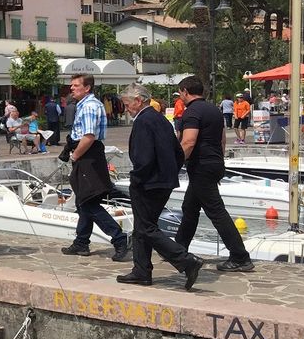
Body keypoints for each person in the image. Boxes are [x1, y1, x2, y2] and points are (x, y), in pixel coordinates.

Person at [116, 84, 204, 289]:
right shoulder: (160, 119)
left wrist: (137, 178)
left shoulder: (144, 121)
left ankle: (186, 260)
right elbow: (178, 151)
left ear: (138, 101)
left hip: (149, 182)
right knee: (142, 226)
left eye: (127, 105)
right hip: (163, 180)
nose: (126, 109)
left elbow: (144, 157)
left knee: (145, 228)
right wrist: (169, 172)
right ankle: (141, 270)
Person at [175, 76, 255, 272]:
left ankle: (240, 256)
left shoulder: (192, 112)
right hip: (214, 163)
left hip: (201, 166)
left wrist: (173, 164)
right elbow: (222, 140)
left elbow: (188, 142)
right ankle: (177, 250)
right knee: (190, 208)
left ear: (185, 91)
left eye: (180, 93)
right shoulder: (214, 110)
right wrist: (218, 161)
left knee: (216, 211)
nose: (180, 97)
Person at [59, 73, 130, 260]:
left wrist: (75, 155)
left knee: (87, 202)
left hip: (87, 155)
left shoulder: (89, 106)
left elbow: (89, 136)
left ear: (87, 87)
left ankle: (119, 239)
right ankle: (81, 242)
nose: (71, 88)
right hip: (89, 155)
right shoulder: (86, 105)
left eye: (76, 85)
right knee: (83, 200)